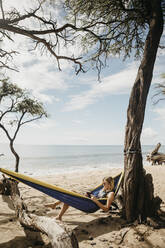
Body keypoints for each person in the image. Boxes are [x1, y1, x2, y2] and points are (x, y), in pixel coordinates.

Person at [45, 176, 115, 221]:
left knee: (69, 197)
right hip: (88, 200)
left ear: (109, 184)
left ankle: (55, 207)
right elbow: (96, 196)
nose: (103, 185)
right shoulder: (103, 189)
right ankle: (58, 213)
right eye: (102, 183)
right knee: (70, 193)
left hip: (91, 205)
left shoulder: (110, 194)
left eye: (104, 183)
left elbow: (106, 209)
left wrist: (96, 201)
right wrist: (88, 195)